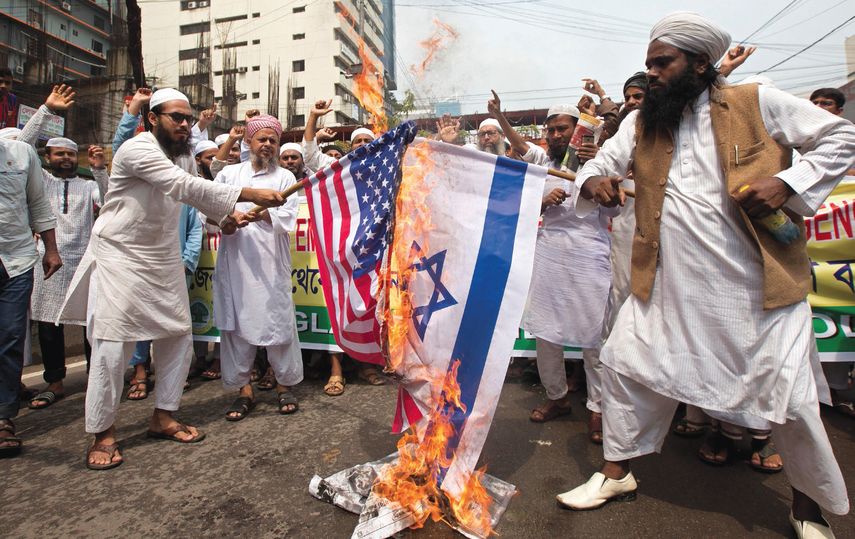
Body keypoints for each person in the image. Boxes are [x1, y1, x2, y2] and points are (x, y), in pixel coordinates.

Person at [558, 12, 854, 538]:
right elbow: (596, 164)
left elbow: (841, 138)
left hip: (757, 288)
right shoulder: (642, 119)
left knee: (792, 399)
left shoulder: (756, 100)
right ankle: (615, 474)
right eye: (648, 63)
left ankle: (808, 510)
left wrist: (787, 183)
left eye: (662, 62)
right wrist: (595, 180)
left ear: (700, 63)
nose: (651, 73)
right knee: (625, 367)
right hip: (667, 286)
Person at [58, 88, 285, 470]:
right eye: (175, 117)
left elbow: (190, 201)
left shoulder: (181, 158)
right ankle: (103, 433)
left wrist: (222, 220)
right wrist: (249, 193)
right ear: (152, 119)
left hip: (163, 257)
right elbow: (184, 187)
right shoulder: (137, 149)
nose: (183, 124)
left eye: (187, 118)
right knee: (113, 346)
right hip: (121, 255)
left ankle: (163, 415)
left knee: (178, 337)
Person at [490, 91, 611, 443]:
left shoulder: (600, 161)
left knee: (594, 339)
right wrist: (499, 117)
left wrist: (597, 177)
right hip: (549, 254)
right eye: (552, 130)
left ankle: (597, 409)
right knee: (547, 334)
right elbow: (519, 152)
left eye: (563, 130)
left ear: (577, 131)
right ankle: (557, 398)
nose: (557, 135)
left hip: (590, 257)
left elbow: (616, 208)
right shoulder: (543, 161)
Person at [212, 115, 303, 420]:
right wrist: (225, 223)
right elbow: (210, 211)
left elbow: (288, 220)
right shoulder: (228, 176)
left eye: (272, 140)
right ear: (248, 142)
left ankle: (283, 386)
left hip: (270, 267)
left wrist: (265, 214)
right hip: (235, 265)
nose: (267, 145)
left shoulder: (285, 179)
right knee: (237, 328)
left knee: (277, 325)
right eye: (262, 139)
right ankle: (243, 391)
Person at [28, 137, 108, 409]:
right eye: (59, 154)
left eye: (71, 154)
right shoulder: (42, 182)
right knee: (49, 325)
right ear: (47, 157)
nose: (66, 158)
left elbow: (109, 201)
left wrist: (99, 170)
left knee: (90, 323)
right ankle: (54, 383)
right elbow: (23, 146)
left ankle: (94, 379)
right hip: (49, 261)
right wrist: (47, 111)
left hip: (84, 261)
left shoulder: (87, 186)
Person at [0, 136, 62, 457]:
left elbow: (38, 203)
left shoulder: (21, 154)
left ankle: (3, 418)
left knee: (10, 336)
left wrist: (51, 249)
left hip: (17, 260)